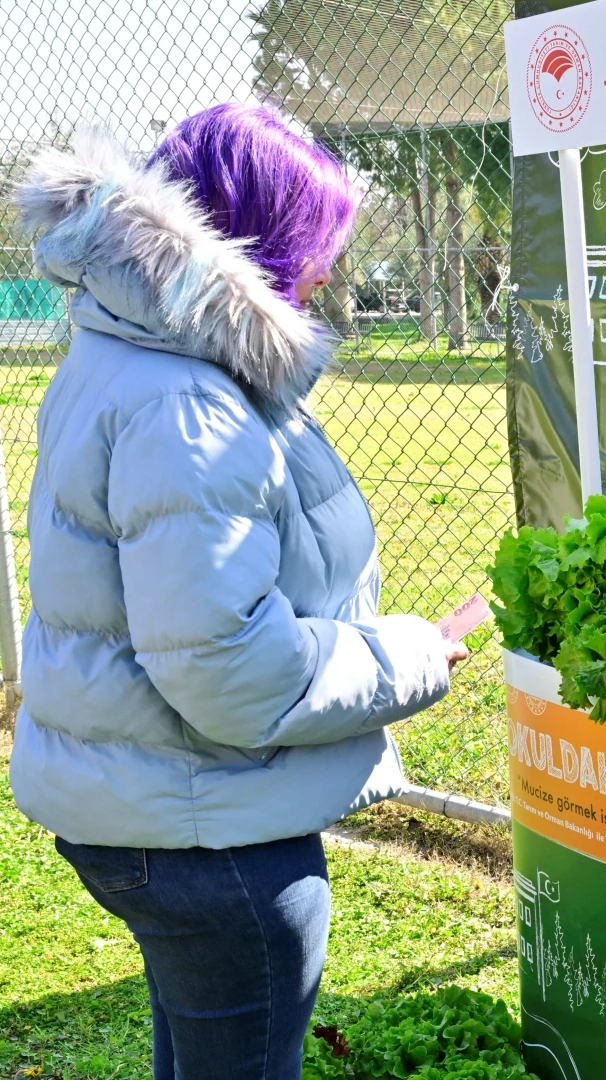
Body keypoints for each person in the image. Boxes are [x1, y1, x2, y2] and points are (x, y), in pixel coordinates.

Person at [10, 105, 464, 1078]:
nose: (327, 274)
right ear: (256, 240)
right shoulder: (188, 403)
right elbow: (229, 671)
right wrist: (417, 652)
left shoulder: (130, 356)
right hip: (207, 837)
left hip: (151, 806)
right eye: (316, 247)